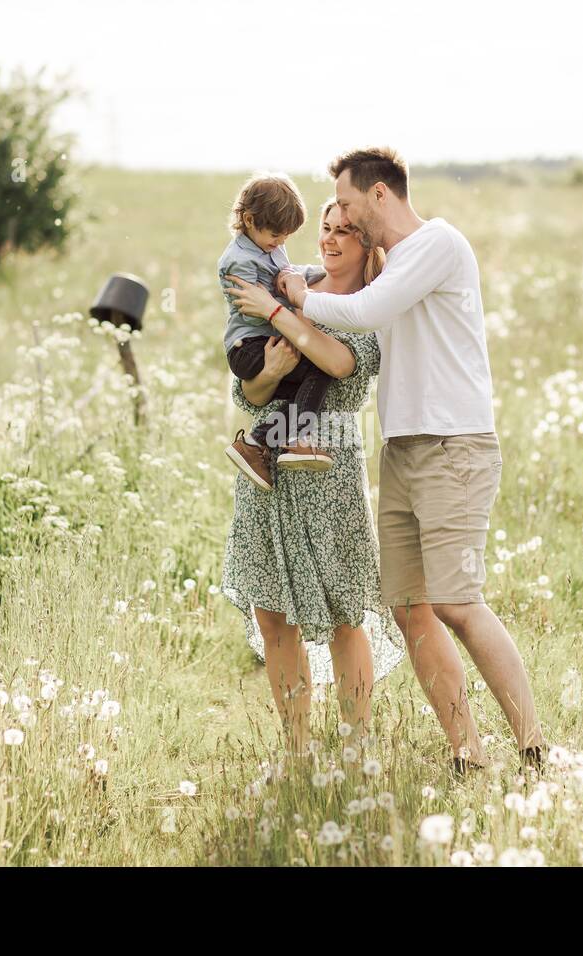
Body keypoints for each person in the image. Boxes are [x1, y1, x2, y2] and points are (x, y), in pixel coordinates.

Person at [225, 147, 548, 776]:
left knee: (456, 601)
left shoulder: (434, 247)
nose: (333, 223)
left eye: (344, 207)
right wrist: (281, 312)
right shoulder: (381, 270)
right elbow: (257, 379)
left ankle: (533, 746)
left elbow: (359, 329)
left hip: (453, 445)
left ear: (378, 196)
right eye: (329, 218)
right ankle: (467, 751)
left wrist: (278, 310)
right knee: (408, 608)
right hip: (401, 449)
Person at [220, 199, 402, 760]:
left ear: (369, 241)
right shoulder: (287, 281)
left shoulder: (370, 303)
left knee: (344, 610)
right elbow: (245, 391)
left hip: (327, 466)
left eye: (346, 231)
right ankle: (297, 749)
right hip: (267, 465)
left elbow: (343, 362)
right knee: (273, 611)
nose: (330, 239)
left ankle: (355, 746)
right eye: (326, 228)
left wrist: (279, 317)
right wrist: (267, 374)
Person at [218, 173, 333, 488]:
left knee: (299, 395)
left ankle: (255, 444)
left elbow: (287, 274)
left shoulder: (268, 246)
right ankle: (298, 437)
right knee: (321, 367)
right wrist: (295, 312)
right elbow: (256, 306)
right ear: (249, 219)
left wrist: (325, 273)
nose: (281, 242)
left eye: (286, 236)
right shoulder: (237, 261)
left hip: (264, 338)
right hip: (250, 346)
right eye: (275, 235)